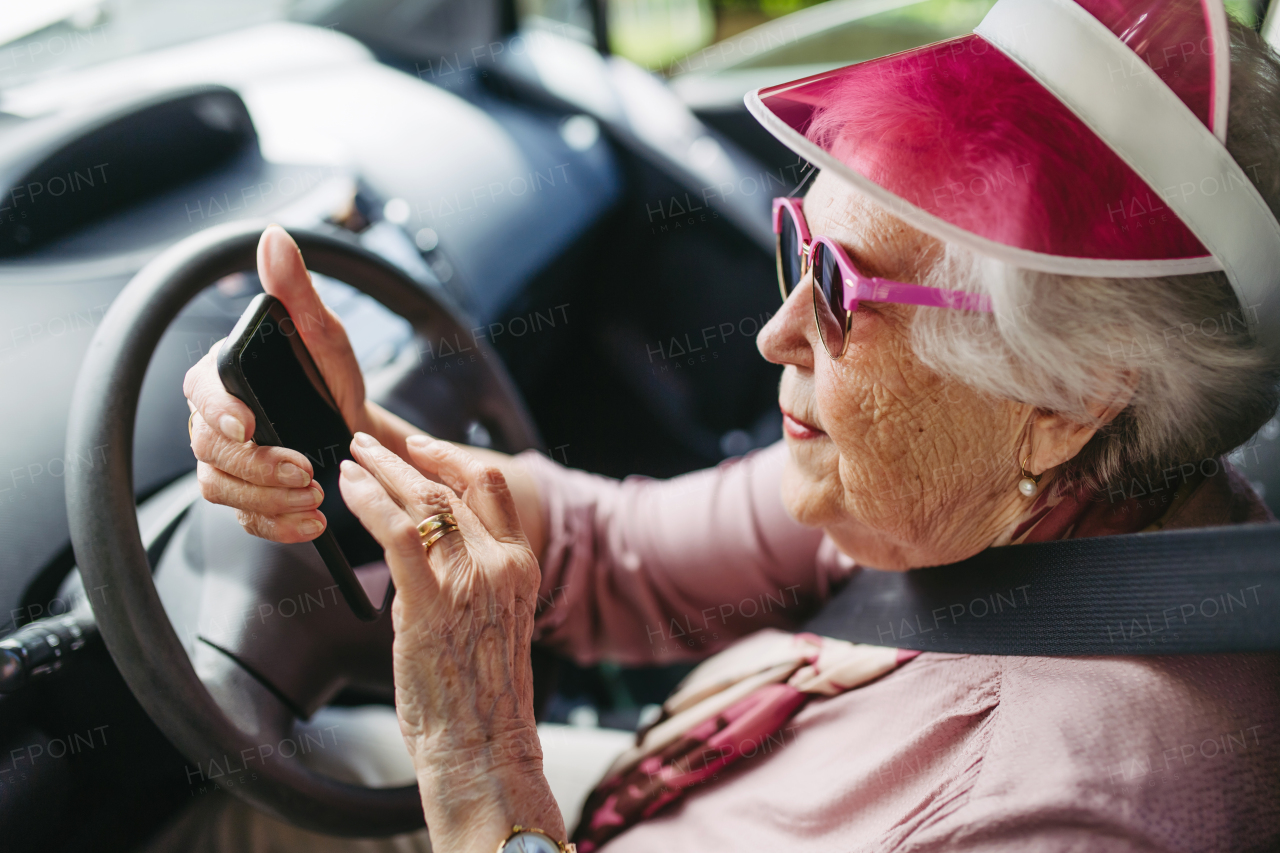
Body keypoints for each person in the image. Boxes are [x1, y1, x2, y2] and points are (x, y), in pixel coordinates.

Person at [176, 0, 1280, 849]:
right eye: (801, 241)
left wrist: (480, 766)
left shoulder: (1055, 814)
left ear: (1064, 401)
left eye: (842, 287)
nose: (776, 333)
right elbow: (620, 554)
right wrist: (362, 444)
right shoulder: (946, 488)